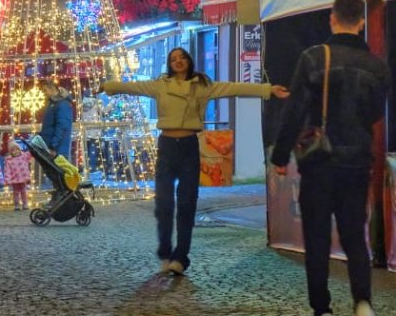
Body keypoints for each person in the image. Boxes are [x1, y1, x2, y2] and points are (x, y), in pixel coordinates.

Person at [101, 47, 288, 275]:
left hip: (189, 145)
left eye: (182, 58)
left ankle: (181, 257)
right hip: (167, 146)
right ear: (169, 64)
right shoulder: (160, 84)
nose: (178, 61)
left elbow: (233, 88)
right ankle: (165, 250)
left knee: (188, 203)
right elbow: (134, 87)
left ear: (189, 61)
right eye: (173, 59)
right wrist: (109, 86)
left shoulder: (202, 85)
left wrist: (267, 89)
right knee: (164, 203)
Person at [270, 0, 388, 316]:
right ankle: (362, 301)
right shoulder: (377, 67)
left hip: (319, 162)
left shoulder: (313, 58)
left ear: (332, 19)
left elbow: (294, 111)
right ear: (362, 21)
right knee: (354, 235)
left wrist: (280, 157)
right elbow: (375, 113)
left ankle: (321, 307)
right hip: (357, 161)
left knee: (317, 237)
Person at [37, 80, 74, 159]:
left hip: (56, 150)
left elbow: (62, 127)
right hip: (50, 147)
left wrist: (53, 146)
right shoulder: (52, 104)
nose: (44, 93)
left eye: (45, 90)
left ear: (52, 89)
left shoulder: (62, 104)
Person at [2, 140, 32, 211]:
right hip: (15, 179)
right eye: (13, 150)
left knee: (24, 191)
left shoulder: (24, 156)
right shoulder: (9, 160)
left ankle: (25, 204)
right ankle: (17, 205)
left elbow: (31, 153)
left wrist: (31, 145)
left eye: (17, 149)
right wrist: (8, 180)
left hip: (23, 178)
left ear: (19, 149)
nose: (15, 151)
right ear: (10, 152)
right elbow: (7, 171)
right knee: (16, 192)